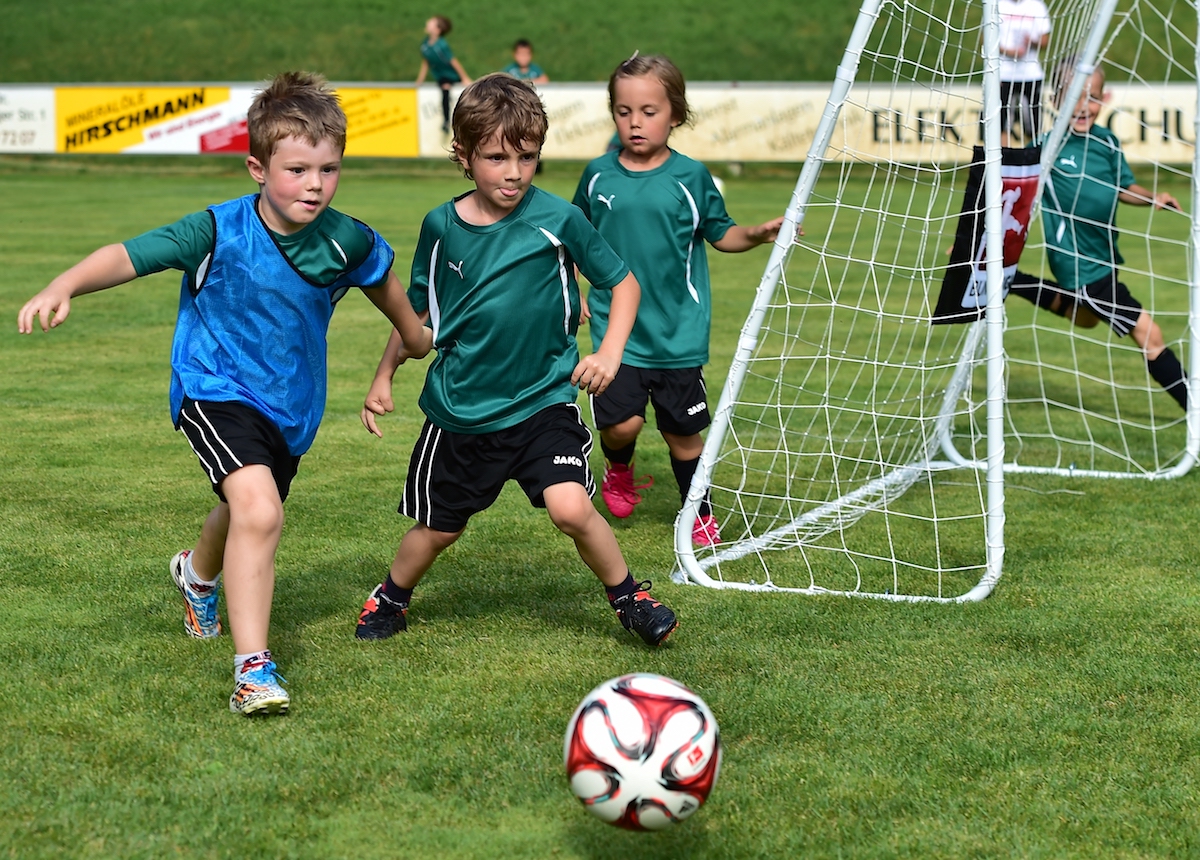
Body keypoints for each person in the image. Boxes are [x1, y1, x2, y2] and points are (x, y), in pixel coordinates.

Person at [16, 71, 433, 716]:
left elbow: (402, 314)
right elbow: (131, 254)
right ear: (256, 169)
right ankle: (253, 670)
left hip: (292, 407)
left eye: (329, 169)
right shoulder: (216, 230)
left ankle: (196, 575)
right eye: (297, 170)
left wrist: (403, 354)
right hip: (213, 387)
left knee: (245, 507)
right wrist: (64, 284)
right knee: (261, 510)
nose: (314, 185)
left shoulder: (348, 241)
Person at [355, 73, 679, 648]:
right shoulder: (440, 227)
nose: (513, 172)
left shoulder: (559, 220)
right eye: (496, 157)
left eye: (526, 157)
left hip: (542, 401)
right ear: (463, 154)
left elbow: (623, 283)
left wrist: (608, 352)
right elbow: (420, 317)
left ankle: (630, 597)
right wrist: (385, 375)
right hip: (462, 411)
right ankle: (390, 598)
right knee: (436, 530)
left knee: (571, 508)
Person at [571, 53, 784, 547]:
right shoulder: (598, 175)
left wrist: (755, 232)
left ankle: (698, 513)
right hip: (614, 332)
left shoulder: (691, 177)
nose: (635, 122)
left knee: (682, 435)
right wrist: (578, 286)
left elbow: (721, 232)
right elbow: (578, 238)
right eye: (624, 112)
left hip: (677, 332)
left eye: (649, 111)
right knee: (621, 425)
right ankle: (619, 469)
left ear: (676, 114)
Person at [1008, 62, 1187, 409]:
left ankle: (1014, 281)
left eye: (1091, 97)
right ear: (1055, 99)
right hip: (1080, 263)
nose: (1082, 106)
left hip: (1104, 255)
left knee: (1086, 318)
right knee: (1150, 335)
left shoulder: (1107, 142)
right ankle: (1195, 410)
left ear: (1104, 99)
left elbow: (1123, 187)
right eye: (1073, 96)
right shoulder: (1045, 147)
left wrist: (1153, 197)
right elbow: (1014, 196)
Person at [998, 0, 1052, 147]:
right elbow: (985, 41)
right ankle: (1003, 163)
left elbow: (1045, 40)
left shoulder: (1037, 6)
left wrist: (1032, 42)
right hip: (1003, 73)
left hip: (1031, 74)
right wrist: (1008, 52)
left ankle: (1034, 159)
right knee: (1001, 121)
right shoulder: (996, 4)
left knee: (1034, 122)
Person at [416, 15, 472, 133]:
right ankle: (447, 120)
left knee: (446, 88)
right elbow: (426, 61)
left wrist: (464, 77)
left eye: (431, 22)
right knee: (444, 85)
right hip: (440, 76)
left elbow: (453, 61)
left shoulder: (442, 45)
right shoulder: (425, 43)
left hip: (450, 75)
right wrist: (420, 80)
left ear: (437, 30)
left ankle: (447, 121)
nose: (427, 23)